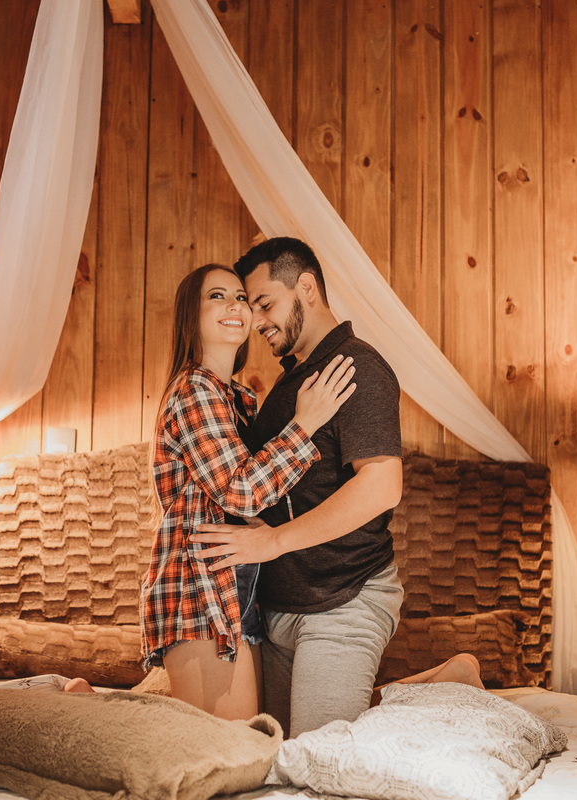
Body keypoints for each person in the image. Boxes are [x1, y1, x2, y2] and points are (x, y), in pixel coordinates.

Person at [193, 237, 482, 738]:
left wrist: (273, 540)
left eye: (265, 304)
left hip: (343, 599)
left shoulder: (356, 368)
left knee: (318, 755)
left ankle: (442, 686)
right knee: (274, 749)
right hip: (280, 608)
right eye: (249, 306)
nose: (257, 320)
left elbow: (381, 486)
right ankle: (438, 682)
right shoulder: (289, 385)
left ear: (306, 287)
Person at [72, 263, 356, 721]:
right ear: (192, 316)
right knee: (231, 749)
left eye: (242, 297)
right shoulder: (194, 389)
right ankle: (87, 712)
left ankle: (101, 706)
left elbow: (230, 496)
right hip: (200, 592)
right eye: (217, 296)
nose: (235, 306)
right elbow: (239, 489)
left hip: (238, 591)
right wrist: (306, 424)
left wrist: (262, 528)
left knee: (259, 736)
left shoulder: (236, 399)